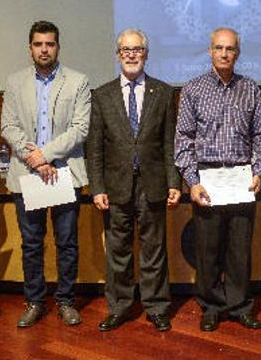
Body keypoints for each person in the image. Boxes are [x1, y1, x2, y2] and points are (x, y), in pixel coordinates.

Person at [86, 28, 181, 332]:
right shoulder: (101, 96)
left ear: (146, 54)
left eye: (137, 49)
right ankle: (120, 306)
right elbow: (95, 149)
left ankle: (156, 306)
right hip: (115, 187)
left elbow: (170, 143)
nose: (131, 55)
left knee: (154, 250)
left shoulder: (164, 93)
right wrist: (97, 187)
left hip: (153, 184)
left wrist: (174, 182)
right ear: (118, 55)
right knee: (118, 251)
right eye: (125, 50)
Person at [174, 27, 261, 332]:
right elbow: (183, 139)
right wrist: (192, 180)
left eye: (230, 49)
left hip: (242, 179)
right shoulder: (192, 90)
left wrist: (259, 171)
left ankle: (240, 306)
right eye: (219, 48)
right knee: (209, 249)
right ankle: (212, 305)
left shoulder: (251, 89)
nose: (224, 54)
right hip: (208, 181)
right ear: (210, 51)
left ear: (237, 53)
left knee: (239, 249)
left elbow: (260, 135)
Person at [1, 20, 90, 328]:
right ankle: (35, 300)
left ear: (57, 47)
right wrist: (35, 160)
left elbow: (80, 129)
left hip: (64, 173)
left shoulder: (78, 81)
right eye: (38, 44)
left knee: (67, 241)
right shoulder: (13, 83)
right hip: (27, 174)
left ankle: (65, 301)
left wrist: (47, 155)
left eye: (49, 44)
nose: (44, 49)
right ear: (30, 48)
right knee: (31, 243)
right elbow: (8, 127)